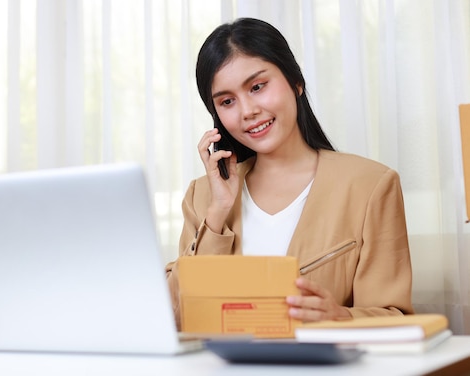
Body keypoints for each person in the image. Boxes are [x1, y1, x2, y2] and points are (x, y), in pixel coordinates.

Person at [165, 17, 413, 330]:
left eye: (257, 87)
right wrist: (217, 214)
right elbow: (173, 319)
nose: (247, 111)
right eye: (227, 101)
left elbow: (396, 318)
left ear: (296, 81)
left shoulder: (370, 185)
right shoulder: (202, 197)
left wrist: (341, 316)